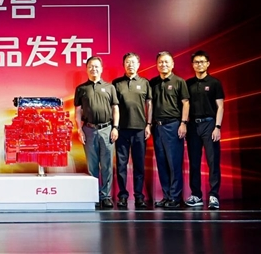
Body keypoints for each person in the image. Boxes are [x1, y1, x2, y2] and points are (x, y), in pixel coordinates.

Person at [74, 56, 120, 209]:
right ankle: (93, 195)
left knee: (107, 165)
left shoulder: (110, 87)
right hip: (88, 130)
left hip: (107, 129)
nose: (93, 69)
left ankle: (106, 196)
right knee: (92, 165)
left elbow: (115, 108)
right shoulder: (81, 89)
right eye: (91, 66)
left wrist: (115, 127)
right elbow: (78, 111)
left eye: (96, 66)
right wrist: (79, 129)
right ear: (87, 69)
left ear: (101, 69)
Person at [185, 50, 225, 210]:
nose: (199, 64)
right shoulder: (188, 83)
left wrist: (217, 127)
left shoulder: (215, 83)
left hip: (210, 125)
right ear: (192, 65)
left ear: (208, 64)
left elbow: (220, 106)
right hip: (193, 126)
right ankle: (196, 195)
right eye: (196, 62)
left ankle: (214, 195)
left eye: (202, 61)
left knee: (213, 161)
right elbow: (185, 105)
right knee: (194, 162)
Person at [112, 52, 152, 209]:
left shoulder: (145, 83)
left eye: (133, 62)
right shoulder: (117, 83)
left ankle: (139, 196)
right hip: (122, 130)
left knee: (139, 165)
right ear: (123, 64)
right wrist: (115, 127)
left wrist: (148, 124)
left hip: (139, 130)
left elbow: (149, 104)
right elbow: (113, 107)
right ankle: (122, 196)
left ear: (138, 65)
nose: (130, 65)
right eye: (128, 62)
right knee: (121, 165)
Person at [150, 51, 189, 209]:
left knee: (174, 163)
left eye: (166, 62)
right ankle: (166, 196)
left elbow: (186, 103)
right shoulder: (153, 83)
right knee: (162, 163)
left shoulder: (179, 82)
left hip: (173, 125)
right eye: (160, 62)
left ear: (172, 64)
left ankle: (175, 197)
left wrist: (183, 123)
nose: (163, 64)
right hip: (157, 127)